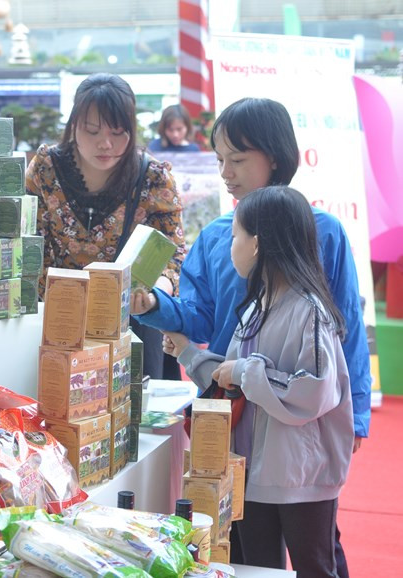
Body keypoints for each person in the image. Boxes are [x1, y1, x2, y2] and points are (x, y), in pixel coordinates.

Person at [132, 97, 369, 575]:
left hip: (299, 427)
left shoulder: (324, 233)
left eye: (237, 159)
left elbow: (346, 330)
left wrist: (356, 411)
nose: (225, 172)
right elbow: (197, 318)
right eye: (220, 159)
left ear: (275, 157)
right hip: (230, 416)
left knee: (315, 545)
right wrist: (156, 307)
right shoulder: (218, 236)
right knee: (239, 539)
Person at [163, 185, 353, 576]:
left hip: (301, 478)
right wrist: (186, 351)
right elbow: (231, 379)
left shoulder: (310, 311)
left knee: (314, 567)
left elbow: (313, 390)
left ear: (257, 244)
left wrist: (246, 372)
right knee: (254, 569)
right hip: (253, 472)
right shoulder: (258, 305)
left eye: (235, 235)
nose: (229, 245)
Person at [25, 73, 186, 379]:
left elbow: (174, 250)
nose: (106, 144)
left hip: (130, 324)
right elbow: (29, 244)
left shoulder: (153, 177)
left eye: (118, 132)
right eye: (92, 130)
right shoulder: (46, 169)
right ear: (74, 125)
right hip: (58, 322)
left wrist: (155, 293)